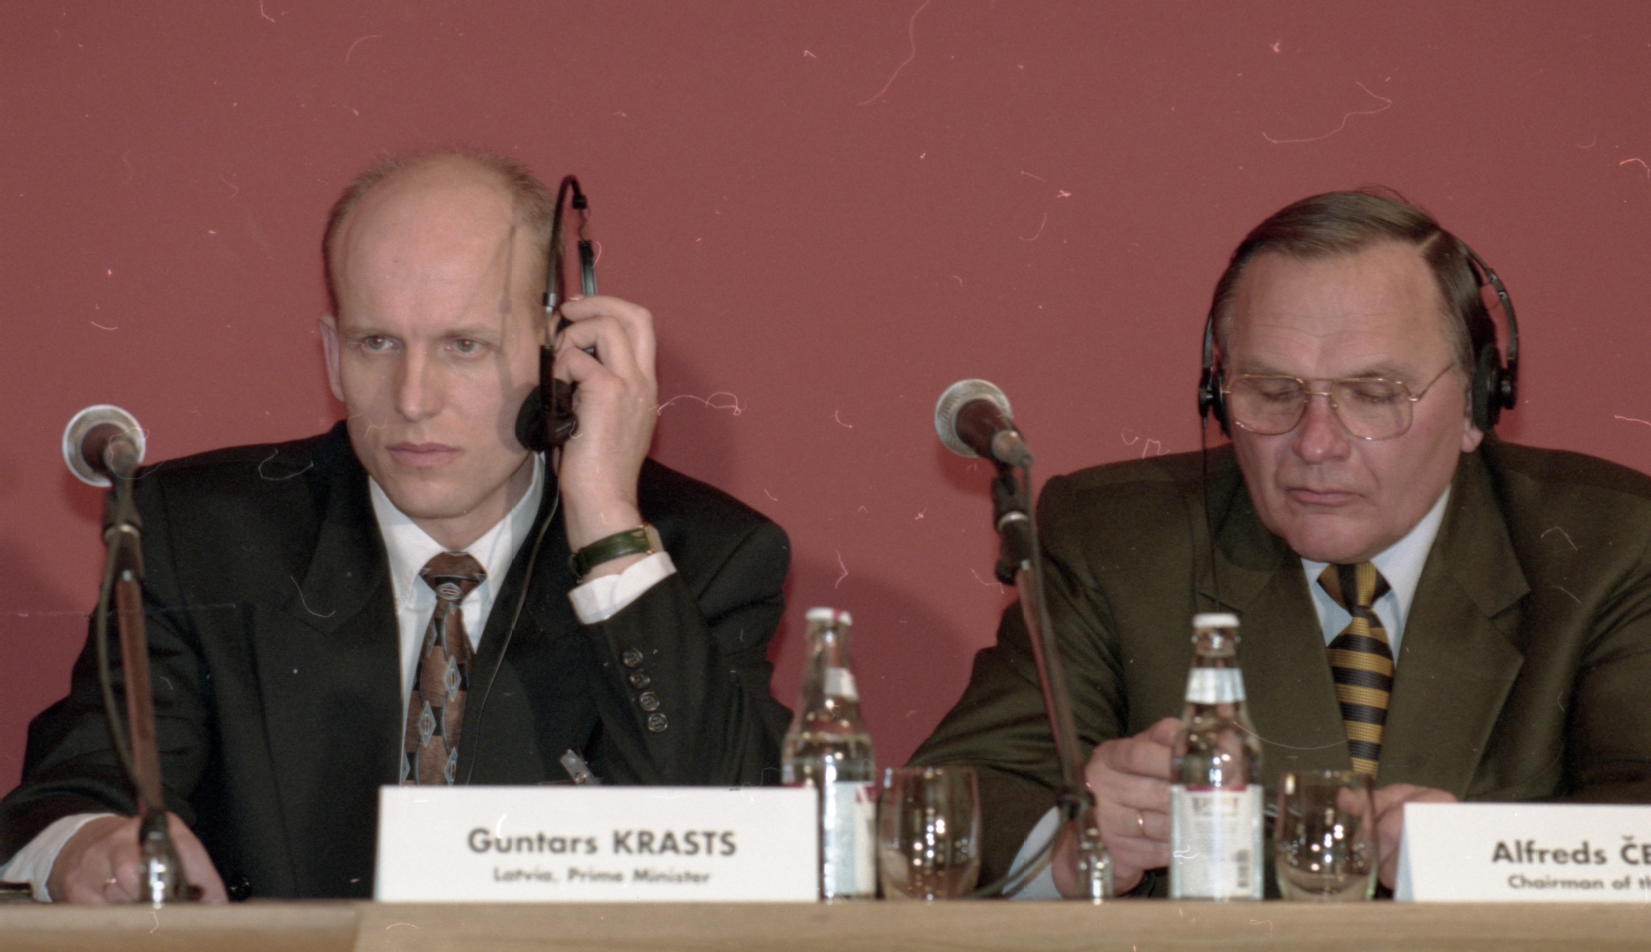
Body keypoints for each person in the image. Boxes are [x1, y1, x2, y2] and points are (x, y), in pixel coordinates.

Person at [0, 151, 792, 902]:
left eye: (465, 346)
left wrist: (608, 529)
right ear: (331, 353)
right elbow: (80, 787)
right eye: (376, 343)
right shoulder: (198, 533)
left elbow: (741, 847)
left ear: (560, 356)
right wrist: (88, 843)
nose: (413, 399)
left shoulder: (703, 557)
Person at [912, 190, 1651, 898]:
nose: (1316, 443)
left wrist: (1472, 855)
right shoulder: (1112, 540)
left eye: (1373, 394)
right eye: (1271, 393)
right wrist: (1071, 846)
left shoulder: (1611, 546)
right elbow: (959, 796)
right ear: (1217, 396)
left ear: (1476, 406)